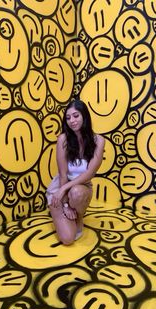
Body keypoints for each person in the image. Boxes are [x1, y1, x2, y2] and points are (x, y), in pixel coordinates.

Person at [46, 99, 105, 245]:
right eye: (68, 118)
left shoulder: (98, 141)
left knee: (77, 192)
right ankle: (60, 211)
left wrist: (66, 190)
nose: (72, 121)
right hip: (60, 187)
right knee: (67, 239)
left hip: (81, 189)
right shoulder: (63, 140)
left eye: (76, 116)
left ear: (84, 116)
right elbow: (63, 173)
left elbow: (90, 173)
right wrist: (64, 202)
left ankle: (79, 217)